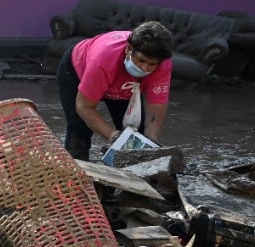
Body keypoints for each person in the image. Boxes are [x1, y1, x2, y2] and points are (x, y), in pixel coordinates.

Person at [56, 21, 173, 161]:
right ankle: (76, 173)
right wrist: (112, 135)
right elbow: (84, 106)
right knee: (79, 131)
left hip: (123, 87)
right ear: (129, 49)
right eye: (141, 60)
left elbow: (157, 105)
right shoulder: (102, 61)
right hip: (77, 71)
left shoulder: (163, 65)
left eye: (151, 64)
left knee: (136, 136)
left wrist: (151, 140)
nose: (144, 68)